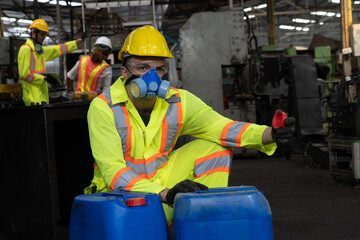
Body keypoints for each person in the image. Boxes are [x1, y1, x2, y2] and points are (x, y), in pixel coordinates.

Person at [84, 25, 295, 223]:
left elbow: (222, 127)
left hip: (161, 182)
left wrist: (270, 133)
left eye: (158, 69)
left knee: (216, 147)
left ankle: (202, 222)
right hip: (117, 197)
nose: (152, 77)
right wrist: (166, 194)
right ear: (124, 72)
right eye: (142, 67)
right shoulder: (103, 108)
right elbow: (113, 171)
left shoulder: (177, 101)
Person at [18, 19, 82, 106]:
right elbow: (24, 75)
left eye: (45, 34)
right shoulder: (25, 49)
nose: (44, 37)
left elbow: (56, 50)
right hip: (32, 100)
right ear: (33, 33)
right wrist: (44, 78)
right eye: (42, 34)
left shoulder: (39, 51)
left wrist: (76, 43)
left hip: (41, 98)